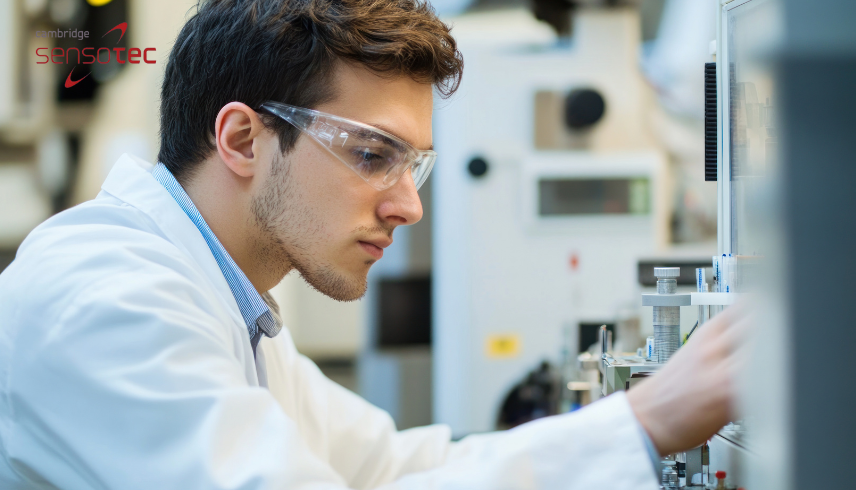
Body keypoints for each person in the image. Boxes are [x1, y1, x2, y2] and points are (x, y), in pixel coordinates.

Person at [0, 0, 748, 488]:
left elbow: (389, 468)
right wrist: (647, 422)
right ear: (240, 139)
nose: (409, 205)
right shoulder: (109, 298)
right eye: (371, 155)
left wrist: (635, 428)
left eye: (413, 163)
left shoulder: (228, 304)